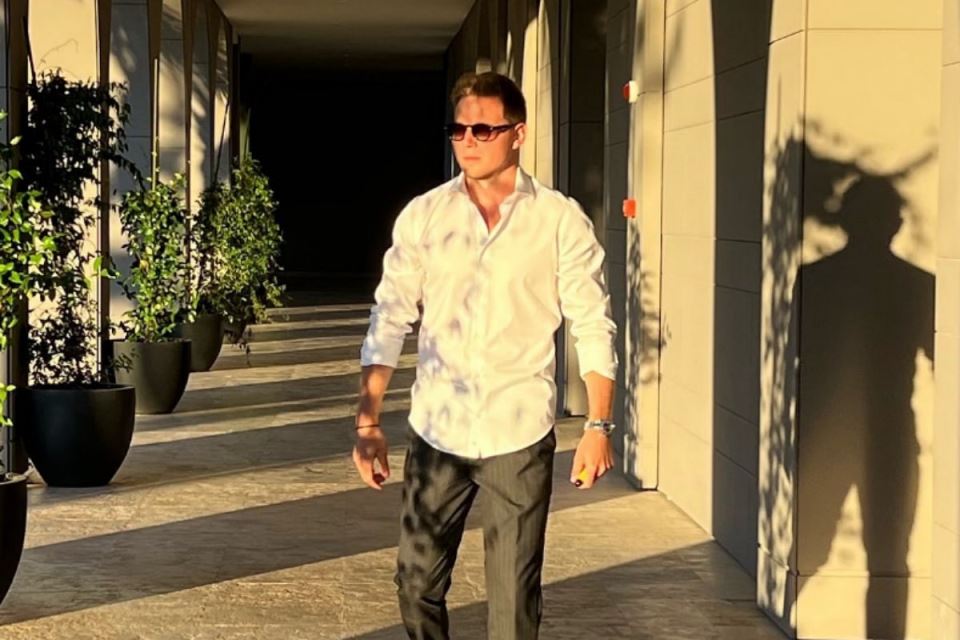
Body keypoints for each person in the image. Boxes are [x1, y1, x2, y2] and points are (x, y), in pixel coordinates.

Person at [353, 71, 618, 640]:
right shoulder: (425, 215)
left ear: (518, 133)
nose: (467, 141)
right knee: (415, 586)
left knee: (513, 603)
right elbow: (390, 316)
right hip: (437, 431)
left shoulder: (558, 219)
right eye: (458, 130)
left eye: (483, 130)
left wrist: (598, 425)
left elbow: (592, 321)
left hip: (518, 431)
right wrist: (367, 420)